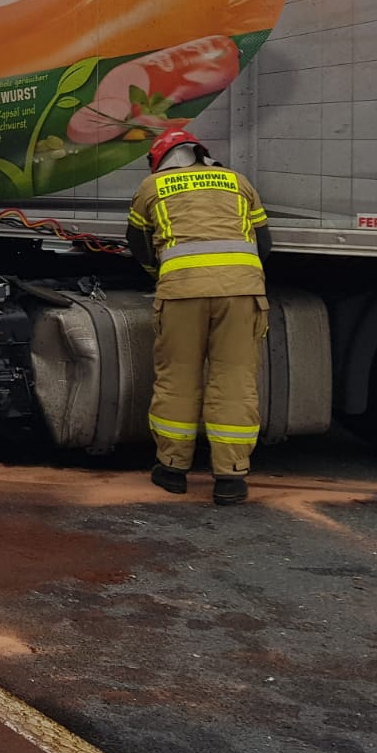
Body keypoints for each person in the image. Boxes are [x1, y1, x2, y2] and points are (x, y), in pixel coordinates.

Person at [127, 128, 272, 506]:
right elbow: (264, 243)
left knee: (178, 377)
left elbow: (138, 244)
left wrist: (161, 273)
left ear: (159, 159)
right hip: (241, 293)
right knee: (235, 379)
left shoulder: (152, 186)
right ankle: (231, 478)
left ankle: (172, 470)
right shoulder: (237, 181)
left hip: (181, 294)